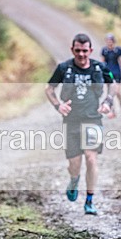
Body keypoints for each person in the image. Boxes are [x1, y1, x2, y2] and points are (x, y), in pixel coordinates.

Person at [45, 33, 116, 215]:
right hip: (71, 121)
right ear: (72, 50)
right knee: (74, 164)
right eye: (78, 51)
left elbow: (113, 84)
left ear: (90, 50)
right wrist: (58, 105)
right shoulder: (63, 68)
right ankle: (74, 179)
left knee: (91, 159)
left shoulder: (100, 68)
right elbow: (49, 88)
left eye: (85, 51)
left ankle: (89, 200)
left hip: (93, 119)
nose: (81, 55)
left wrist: (108, 101)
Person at [101, 33, 121, 116]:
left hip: (117, 73)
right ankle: (112, 111)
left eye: (111, 41)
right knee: (110, 92)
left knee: (117, 91)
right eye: (108, 41)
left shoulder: (118, 50)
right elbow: (102, 62)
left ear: (113, 41)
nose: (109, 42)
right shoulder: (104, 51)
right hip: (109, 73)